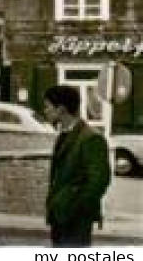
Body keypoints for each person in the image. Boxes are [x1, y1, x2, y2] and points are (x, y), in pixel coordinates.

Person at [43, 83, 111, 247]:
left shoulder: (91, 138)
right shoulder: (64, 135)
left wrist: (76, 208)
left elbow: (99, 180)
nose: (45, 111)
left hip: (76, 220)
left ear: (61, 109)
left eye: (47, 106)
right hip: (60, 216)